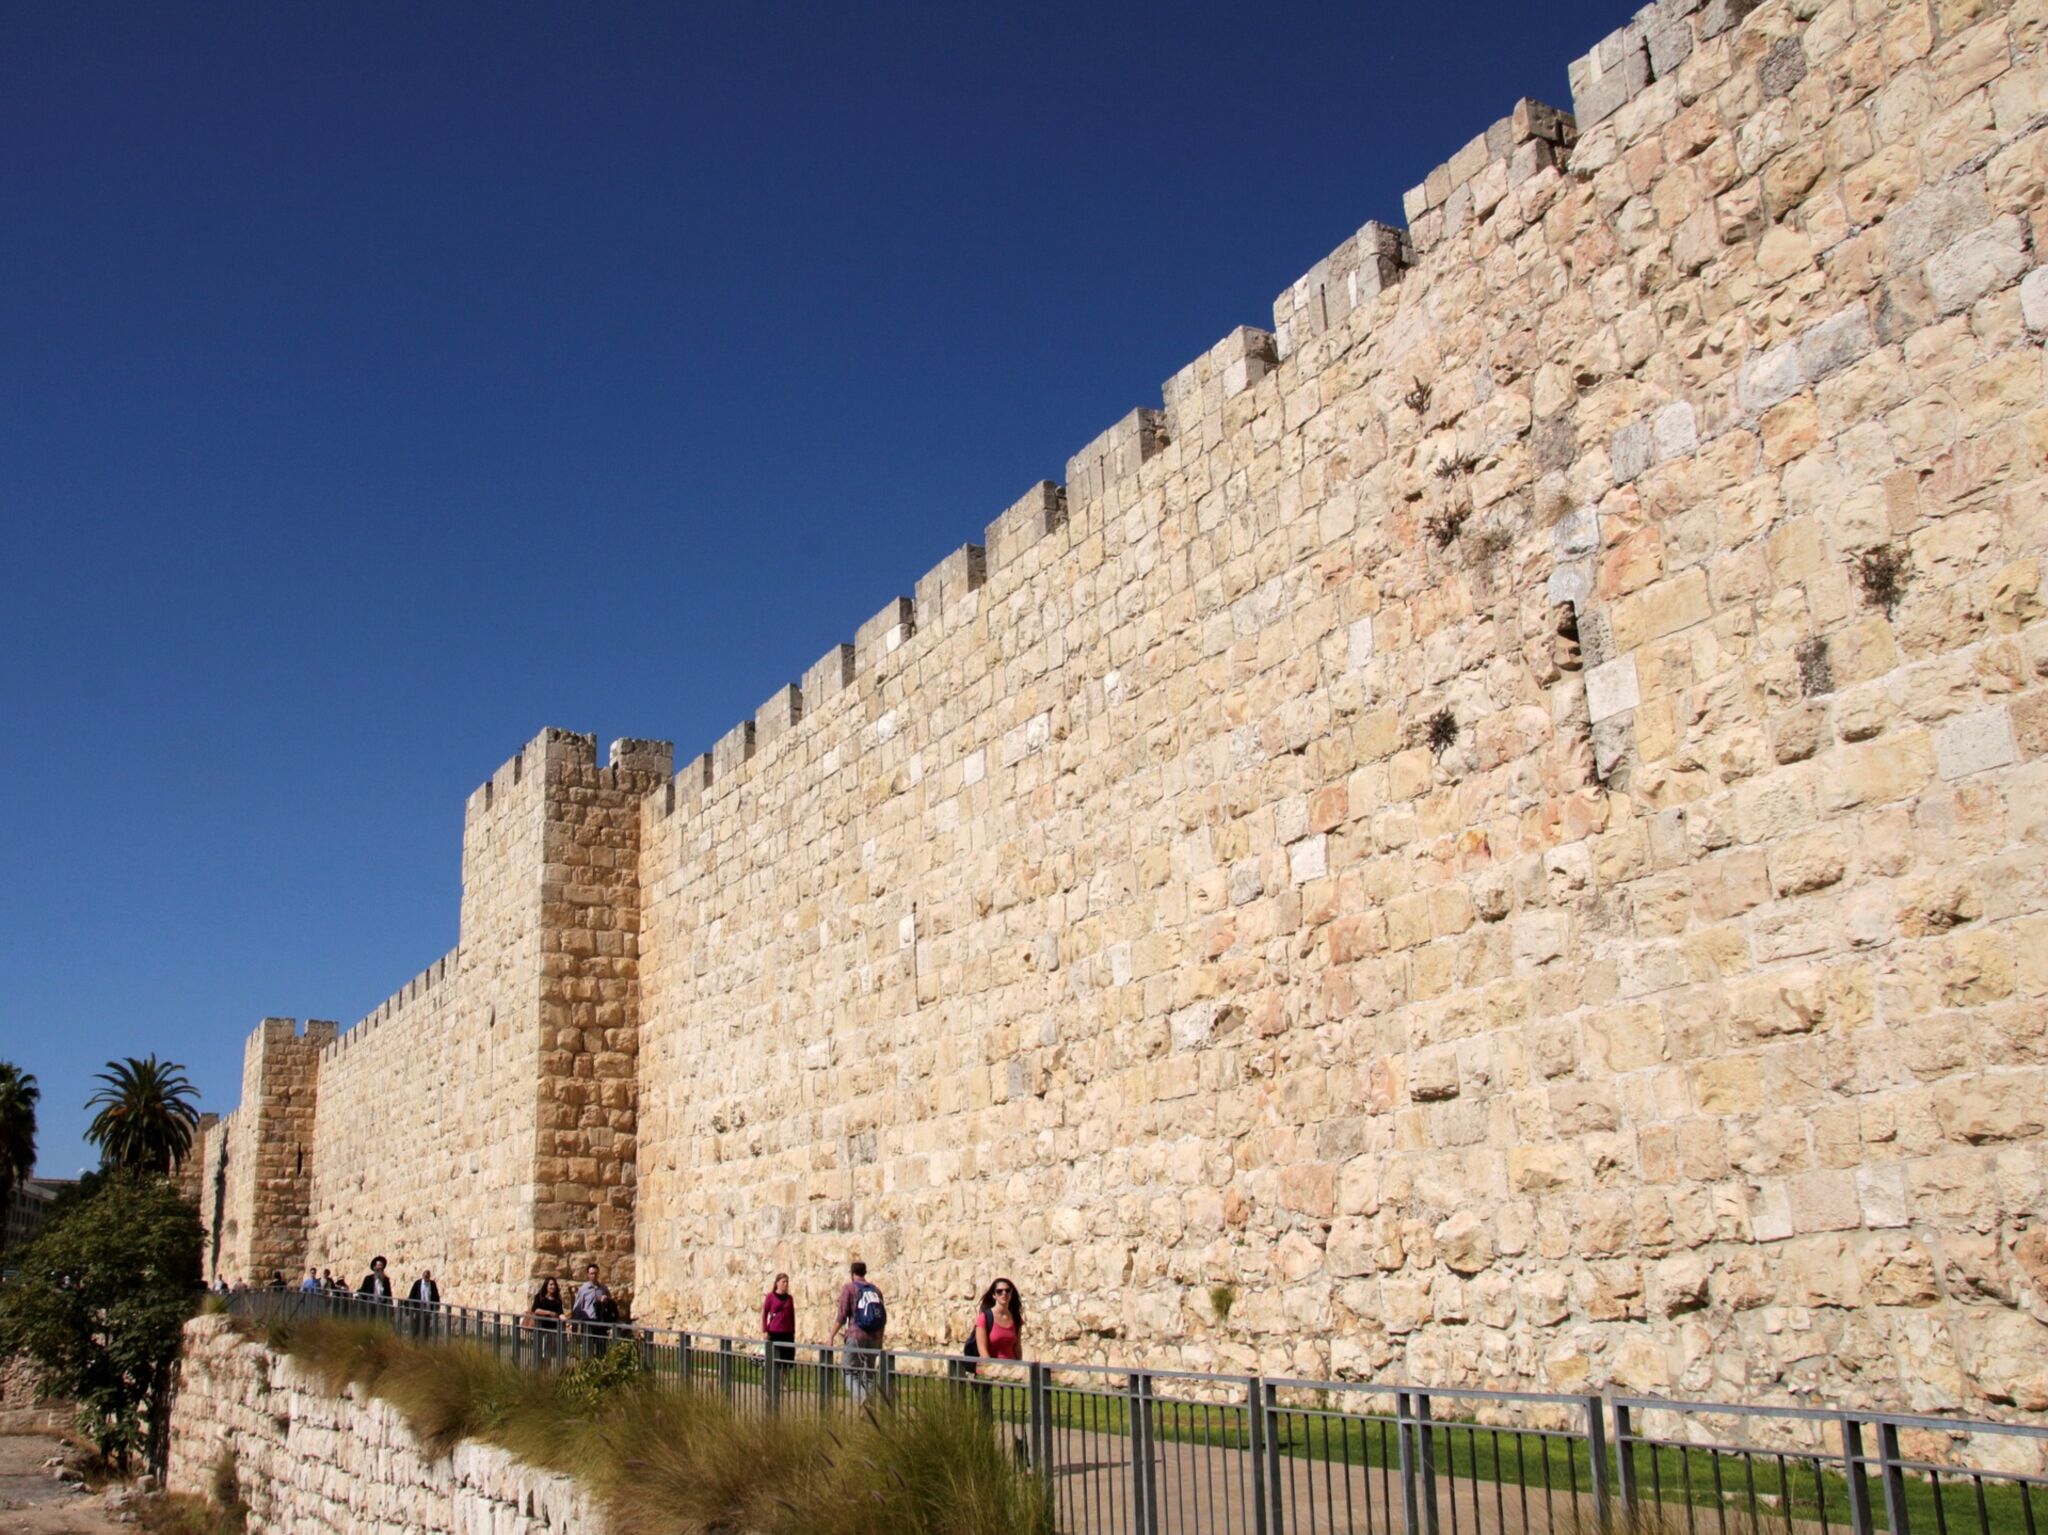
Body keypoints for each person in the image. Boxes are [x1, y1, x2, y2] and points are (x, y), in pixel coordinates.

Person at [830, 1259, 887, 1406]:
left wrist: (831, 1336)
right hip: (874, 1338)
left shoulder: (849, 1288)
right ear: (865, 1272)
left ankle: (863, 1400)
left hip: (856, 1336)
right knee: (869, 1374)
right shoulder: (876, 1290)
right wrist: (879, 1341)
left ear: (852, 1273)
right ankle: (870, 1410)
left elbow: (842, 1316)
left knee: (848, 1371)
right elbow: (882, 1318)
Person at [570, 1262, 617, 1354]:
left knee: (602, 1348)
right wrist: (574, 1326)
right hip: (588, 1321)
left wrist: (606, 1299)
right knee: (588, 1349)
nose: (594, 1276)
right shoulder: (583, 1289)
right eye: (592, 1273)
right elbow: (578, 1306)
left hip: (600, 1322)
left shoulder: (603, 1288)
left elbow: (611, 1303)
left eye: (595, 1273)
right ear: (588, 1274)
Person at [762, 1273, 796, 1367]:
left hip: (787, 1333)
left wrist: (793, 1331)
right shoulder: (770, 1296)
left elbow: (792, 1315)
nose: (785, 1284)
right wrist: (765, 1330)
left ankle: (783, 1381)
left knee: (787, 1362)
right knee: (774, 1361)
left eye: (787, 1282)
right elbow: (765, 1313)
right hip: (775, 1332)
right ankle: (771, 1381)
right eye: (783, 1281)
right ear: (777, 1283)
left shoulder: (790, 1298)